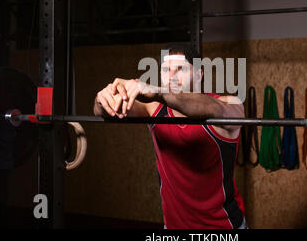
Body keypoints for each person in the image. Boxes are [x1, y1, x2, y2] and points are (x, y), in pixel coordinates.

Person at [93, 43, 246, 229]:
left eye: (180, 69)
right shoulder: (153, 108)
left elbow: (216, 109)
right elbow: (103, 110)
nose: (172, 77)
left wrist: (159, 92)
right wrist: (103, 98)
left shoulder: (228, 103)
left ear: (199, 74)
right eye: (166, 70)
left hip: (223, 229)